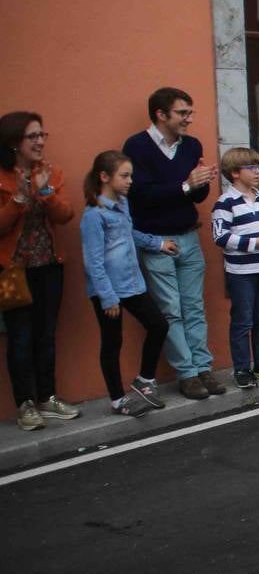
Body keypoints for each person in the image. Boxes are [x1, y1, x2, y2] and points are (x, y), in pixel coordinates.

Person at [122, 87, 223, 400]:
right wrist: (185, 184)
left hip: (189, 235)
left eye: (190, 113)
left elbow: (196, 197)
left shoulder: (191, 145)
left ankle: (203, 367)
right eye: (182, 113)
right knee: (171, 311)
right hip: (157, 241)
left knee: (194, 307)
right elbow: (141, 195)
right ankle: (187, 373)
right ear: (160, 114)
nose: (189, 120)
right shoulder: (137, 146)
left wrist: (201, 183)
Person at [0, 111, 79, 431]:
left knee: (46, 335)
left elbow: (65, 215)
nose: (39, 142)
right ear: (13, 142)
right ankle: (25, 404)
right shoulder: (3, 178)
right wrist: (19, 197)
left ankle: (47, 397)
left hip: (49, 266)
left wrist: (45, 192)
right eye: (32, 136)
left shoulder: (51, 172)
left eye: (42, 136)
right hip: (13, 272)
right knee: (20, 338)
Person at [80, 150, 173, 417]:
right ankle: (118, 400)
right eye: (124, 175)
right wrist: (107, 297)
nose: (130, 180)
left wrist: (158, 243)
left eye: (131, 175)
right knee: (112, 342)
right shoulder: (94, 215)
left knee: (158, 324)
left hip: (131, 284)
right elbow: (93, 262)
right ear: (104, 177)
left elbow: (128, 234)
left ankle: (144, 380)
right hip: (107, 289)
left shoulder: (122, 204)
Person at [211, 148, 259, 389]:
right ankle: (242, 368)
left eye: (258, 167)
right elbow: (220, 237)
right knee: (243, 321)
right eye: (251, 168)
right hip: (241, 272)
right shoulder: (226, 202)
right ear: (234, 173)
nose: (258, 172)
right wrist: (256, 243)